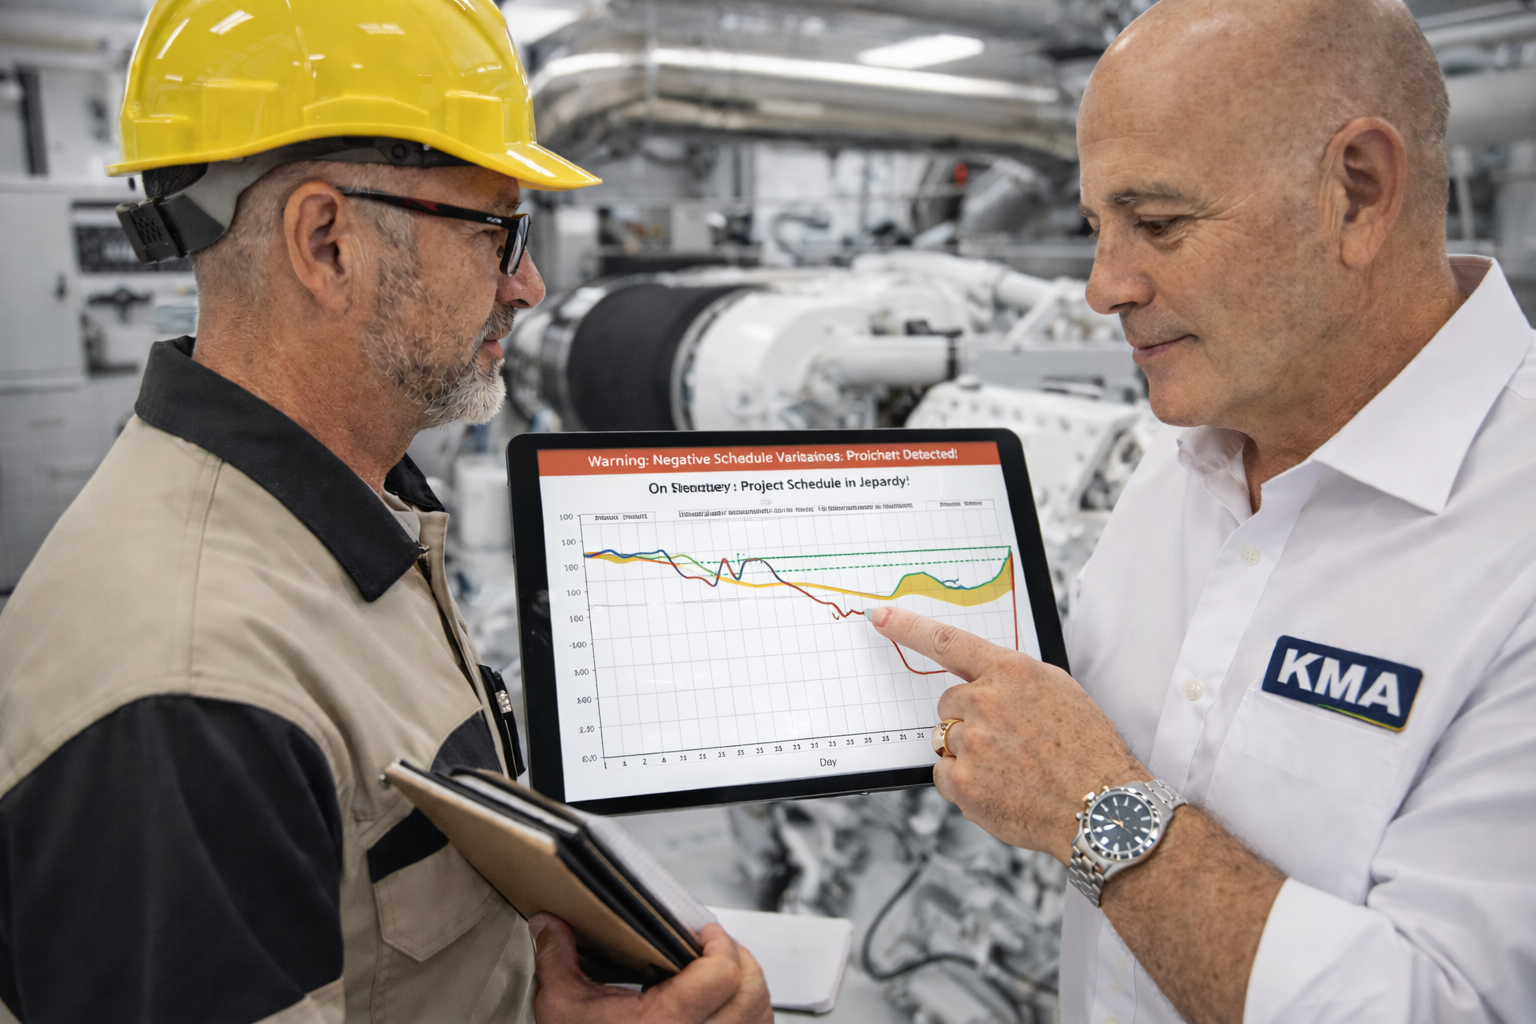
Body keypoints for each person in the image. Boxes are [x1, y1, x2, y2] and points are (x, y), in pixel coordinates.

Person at [0, 2, 770, 1022]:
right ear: (326, 242)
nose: (529, 284)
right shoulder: (190, 702)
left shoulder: (347, 512)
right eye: (499, 228)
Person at [868, 0, 1536, 1021]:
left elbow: (1451, 1004)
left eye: (1159, 223)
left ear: (1357, 192)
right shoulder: (1179, 459)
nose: (1102, 285)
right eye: (1095, 225)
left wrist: (1094, 811)